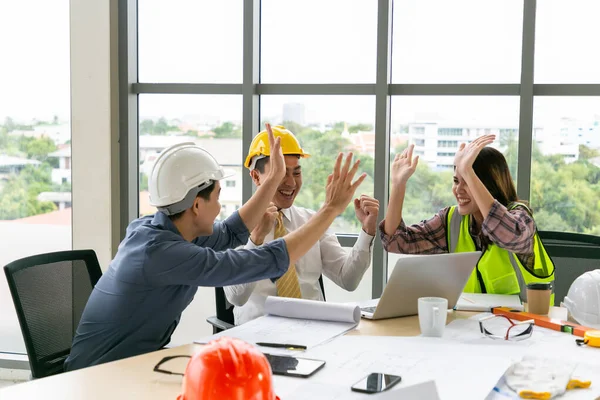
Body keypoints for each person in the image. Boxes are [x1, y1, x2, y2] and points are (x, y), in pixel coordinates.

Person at [65, 124, 366, 371]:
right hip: (101, 377)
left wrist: (272, 180)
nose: (221, 206)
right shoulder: (164, 254)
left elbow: (230, 232)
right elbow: (258, 262)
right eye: (218, 196)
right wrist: (330, 210)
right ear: (197, 205)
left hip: (137, 362)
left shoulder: (161, 231)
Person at [224, 125, 379, 325]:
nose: (291, 183)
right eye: (281, 173)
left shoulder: (312, 221)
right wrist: (256, 239)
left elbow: (348, 279)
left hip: (314, 331)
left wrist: (367, 231)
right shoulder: (235, 228)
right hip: (258, 334)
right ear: (255, 176)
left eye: (296, 173)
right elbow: (236, 297)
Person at [380, 135, 554, 302]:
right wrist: (398, 185)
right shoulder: (451, 220)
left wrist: (468, 171)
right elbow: (396, 241)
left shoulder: (520, 217)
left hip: (523, 326)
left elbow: (507, 236)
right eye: (456, 181)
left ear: (489, 185)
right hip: (469, 324)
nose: (459, 190)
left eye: (468, 182)